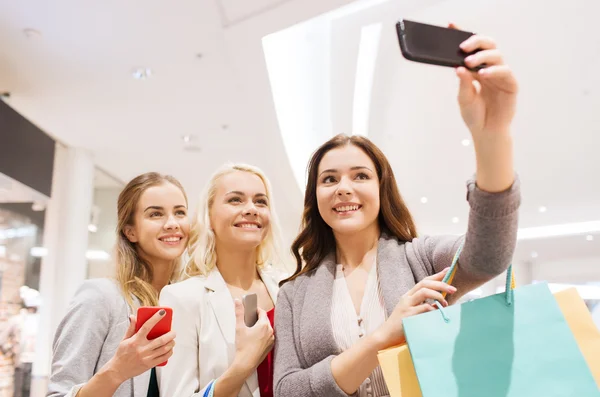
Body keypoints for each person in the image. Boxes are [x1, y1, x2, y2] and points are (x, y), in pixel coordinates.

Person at [273, 28, 521, 397]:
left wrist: (492, 135)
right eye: (329, 179)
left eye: (360, 175)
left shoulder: (419, 259)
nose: (344, 188)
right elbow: (287, 390)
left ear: (380, 189)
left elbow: (488, 256)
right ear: (316, 197)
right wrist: (384, 337)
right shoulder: (295, 292)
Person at [47, 172, 190, 397]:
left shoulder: (188, 302)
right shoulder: (100, 297)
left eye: (180, 212)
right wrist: (117, 371)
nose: (172, 223)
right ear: (130, 231)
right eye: (155, 214)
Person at [158, 163, 287, 397]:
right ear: (209, 215)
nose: (251, 209)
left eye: (260, 201)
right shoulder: (181, 298)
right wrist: (242, 367)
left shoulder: (289, 289)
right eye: (235, 200)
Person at [0, 286, 41, 397]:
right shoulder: (18, 320)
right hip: (21, 361)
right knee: (19, 391)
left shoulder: (41, 320)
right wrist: (10, 352)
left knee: (33, 392)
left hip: (37, 362)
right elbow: (2, 339)